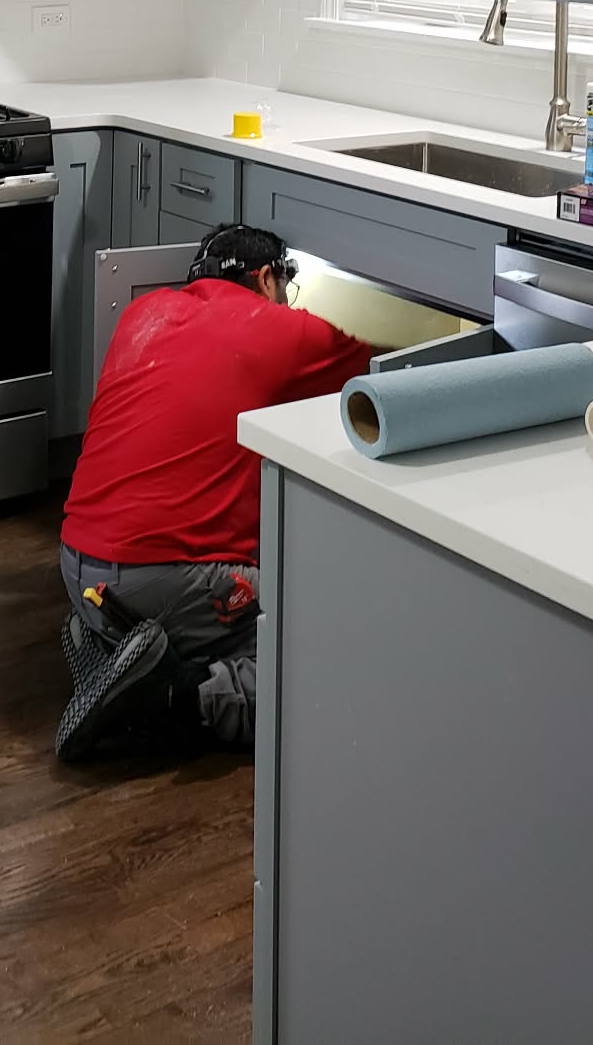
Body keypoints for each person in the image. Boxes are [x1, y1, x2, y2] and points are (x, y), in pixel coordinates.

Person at [55, 221, 373, 762]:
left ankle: (117, 642)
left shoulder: (142, 314)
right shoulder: (280, 328)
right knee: (334, 639)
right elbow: (390, 369)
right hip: (164, 576)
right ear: (267, 278)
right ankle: (172, 696)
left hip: (76, 562)